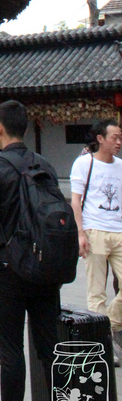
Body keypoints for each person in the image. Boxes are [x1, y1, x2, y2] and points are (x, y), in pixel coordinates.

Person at [0, 99, 76, 401]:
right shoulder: (42, 163)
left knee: (11, 350)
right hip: (45, 268)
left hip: (10, 269)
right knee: (50, 348)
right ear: (25, 128)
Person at [70, 118, 122, 351]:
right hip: (94, 231)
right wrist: (80, 233)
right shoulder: (84, 163)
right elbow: (75, 201)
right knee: (96, 292)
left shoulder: (120, 165)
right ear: (100, 139)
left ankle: (108, 323)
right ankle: (102, 345)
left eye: (120, 137)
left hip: (119, 231)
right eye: (115, 137)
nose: (119, 142)